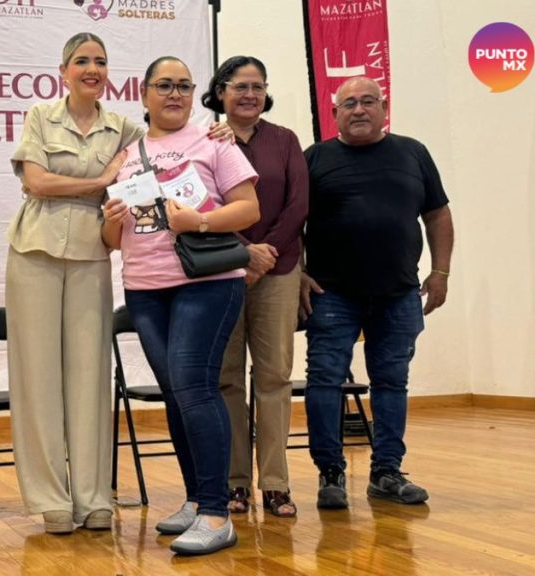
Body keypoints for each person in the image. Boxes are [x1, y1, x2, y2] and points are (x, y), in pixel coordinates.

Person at [102, 56, 260, 555]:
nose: (174, 94)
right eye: (164, 86)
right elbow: (111, 238)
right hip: (145, 288)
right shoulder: (127, 155)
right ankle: (196, 499)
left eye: (184, 86)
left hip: (207, 281)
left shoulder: (213, 141)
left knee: (194, 386)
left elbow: (249, 208)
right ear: (144, 94)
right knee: (176, 392)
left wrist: (199, 222)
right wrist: (110, 217)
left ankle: (217, 514)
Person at [5, 32, 138, 535]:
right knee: (37, 376)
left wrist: (220, 135)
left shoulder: (124, 128)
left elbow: (160, 154)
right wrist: (101, 181)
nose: (92, 68)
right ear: (62, 70)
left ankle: (93, 496)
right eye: (81, 60)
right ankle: (50, 498)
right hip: (33, 249)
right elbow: (36, 183)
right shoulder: (41, 116)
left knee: (89, 376)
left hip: (92, 250)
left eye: (101, 61)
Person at [300, 76, 454, 509]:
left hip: (399, 293)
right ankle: (330, 472)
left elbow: (438, 214)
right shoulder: (315, 158)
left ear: (384, 108)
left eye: (369, 101)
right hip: (331, 294)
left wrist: (440, 271)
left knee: (392, 382)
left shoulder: (413, 153)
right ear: (334, 115)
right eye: (349, 103)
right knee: (324, 381)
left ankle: (386, 471)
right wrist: (297, 273)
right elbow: (291, 221)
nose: (359, 109)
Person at [204, 56, 308, 518]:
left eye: (258, 87)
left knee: (274, 377)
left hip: (280, 269)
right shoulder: (205, 139)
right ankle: (235, 484)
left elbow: (299, 202)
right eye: (240, 86)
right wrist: (244, 250)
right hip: (223, 268)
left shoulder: (285, 140)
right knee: (227, 378)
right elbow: (202, 200)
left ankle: (276, 484)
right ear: (220, 91)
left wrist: (265, 253)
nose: (250, 95)